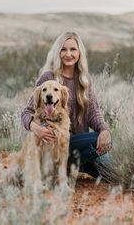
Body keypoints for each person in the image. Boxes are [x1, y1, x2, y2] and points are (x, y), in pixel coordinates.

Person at [21, 31, 112, 180]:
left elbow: (94, 114)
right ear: (58, 52)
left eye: (73, 49)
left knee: (113, 174)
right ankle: (62, 168)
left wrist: (105, 130)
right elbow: (26, 113)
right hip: (57, 143)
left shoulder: (85, 79)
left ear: (79, 53)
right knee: (95, 138)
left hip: (79, 146)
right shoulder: (48, 78)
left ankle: (77, 165)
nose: (68, 54)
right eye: (63, 49)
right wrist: (37, 129)